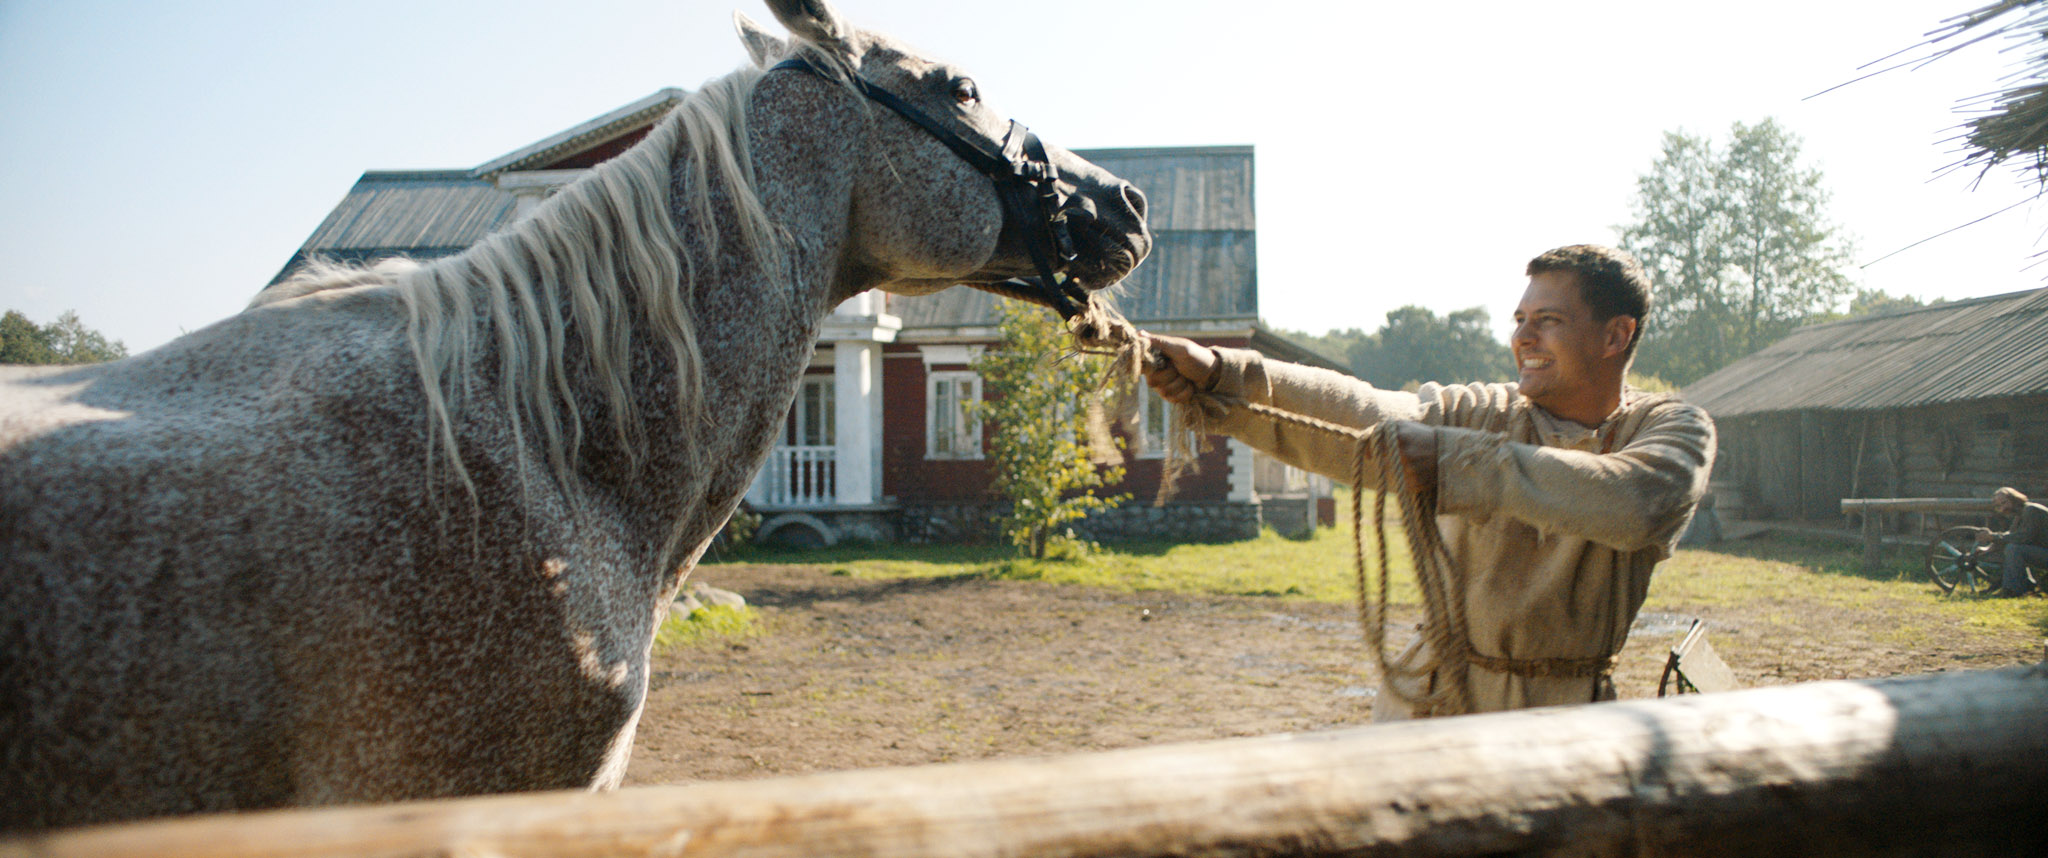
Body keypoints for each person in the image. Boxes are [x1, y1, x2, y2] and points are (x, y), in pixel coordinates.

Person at [1143, 245, 1715, 720]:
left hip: (1560, 720)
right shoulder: (1479, 411)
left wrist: (1454, 463)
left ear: (1616, 336)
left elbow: (1636, 502)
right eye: (1520, 321)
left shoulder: (1672, 428)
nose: (1523, 338)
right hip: (1429, 704)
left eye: (1549, 322)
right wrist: (1226, 374)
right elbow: (1365, 415)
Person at [1977, 486, 2047, 598]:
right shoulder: (2020, 514)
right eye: (1999, 506)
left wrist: (1993, 537)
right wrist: (1989, 548)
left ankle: (2014, 590)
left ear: (2014, 499)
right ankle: (2024, 585)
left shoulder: (2031, 510)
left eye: (2004, 503)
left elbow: (2024, 538)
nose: (2003, 508)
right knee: (2012, 548)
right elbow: (2010, 535)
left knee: (2014, 549)